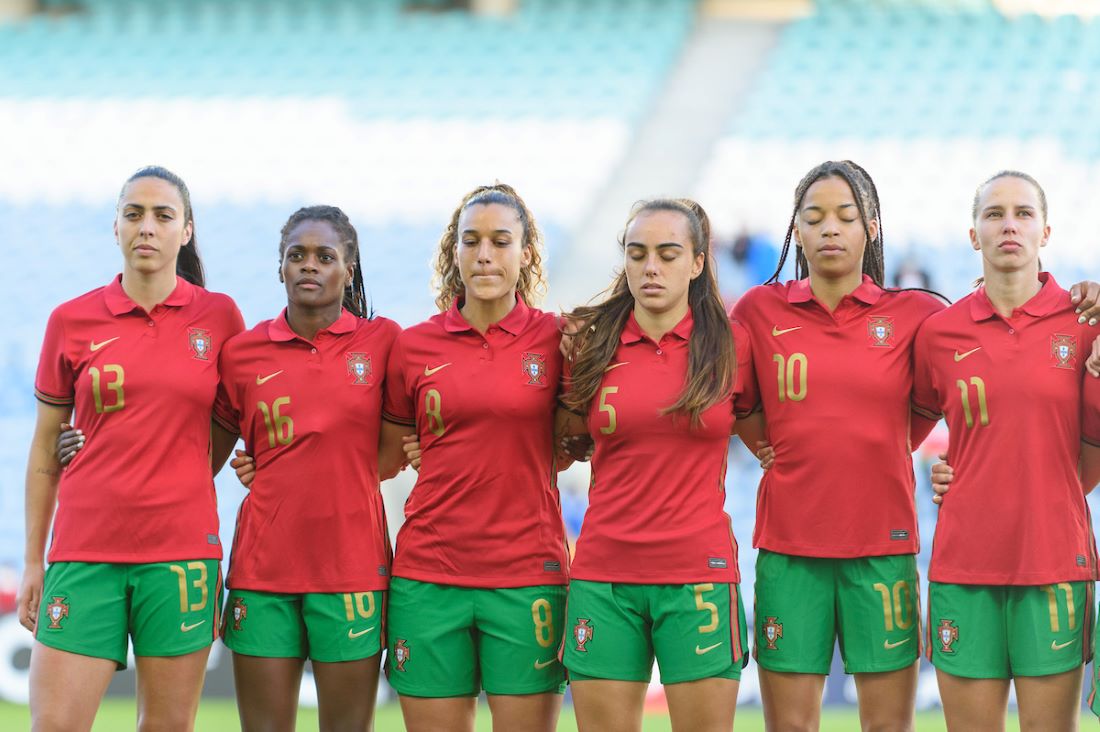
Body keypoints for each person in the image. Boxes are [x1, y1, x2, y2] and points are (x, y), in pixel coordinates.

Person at [19, 166, 245, 731]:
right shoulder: (70, 321)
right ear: (115, 226)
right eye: (134, 214)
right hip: (84, 549)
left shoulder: (219, 318)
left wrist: (188, 470)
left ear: (186, 231)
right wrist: (31, 560)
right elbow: (47, 447)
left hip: (181, 554)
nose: (147, 227)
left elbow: (232, 424)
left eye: (163, 216)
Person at [731, 160, 946, 731]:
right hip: (788, 549)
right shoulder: (757, 311)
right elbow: (736, 403)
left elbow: (971, 381)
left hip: (883, 546)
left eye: (845, 216)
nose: (830, 228)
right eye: (815, 217)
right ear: (796, 230)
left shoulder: (918, 314)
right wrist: (761, 445)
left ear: (871, 227)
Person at [912, 170, 1100, 731]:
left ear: (1046, 231)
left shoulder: (1086, 324)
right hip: (964, 565)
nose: (1009, 225)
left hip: (1054, 561)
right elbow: (902, 431)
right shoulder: (938, 335)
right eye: (994, 214)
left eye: (1023, 214)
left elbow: (1088, 454)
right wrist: (945, 472)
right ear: (974, 235)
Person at [559, 198, 755, 732]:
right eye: (638, 252)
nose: (651, 266)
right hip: (604, 576)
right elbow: (557, 437)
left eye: (668, 254)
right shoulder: (588, 343)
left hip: (698, 575)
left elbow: (778, 442)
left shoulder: (734, 345)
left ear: (696, 262)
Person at [380, 184, 569, 732]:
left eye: (500, 241)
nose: (484, 253)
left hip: (528, 574)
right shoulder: (413, 347)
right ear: (454, 252)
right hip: (429, 575)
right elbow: (385, 453)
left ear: (526, 253)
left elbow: (581, 436)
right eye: (472, 241)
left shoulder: (560, 340)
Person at [212, 206, 405, 731]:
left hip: (352, 571)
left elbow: (399, 447)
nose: (308, 266)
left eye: (325, 256)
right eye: (296, 255)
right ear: (279, 267)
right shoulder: (242, 353)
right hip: (262, 572)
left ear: (350, 267)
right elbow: (200, 455)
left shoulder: (386, 343)